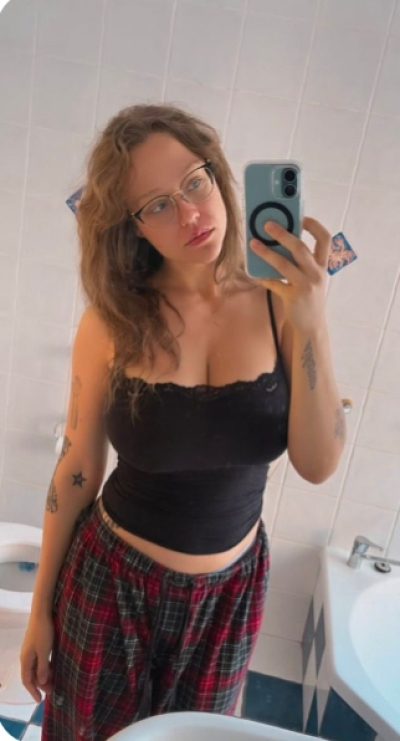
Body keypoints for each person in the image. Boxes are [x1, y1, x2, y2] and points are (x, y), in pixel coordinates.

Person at [19, 103, 346, 741]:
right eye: (158, 205)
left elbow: (319, 464)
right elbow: (78, 468)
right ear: (134, 227)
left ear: (219, 174)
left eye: (195, 182)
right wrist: (40, 611)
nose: (191, 214)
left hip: (229, 598)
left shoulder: (282, 304)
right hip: (110, 586)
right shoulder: (112, 321)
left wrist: (312, 321)